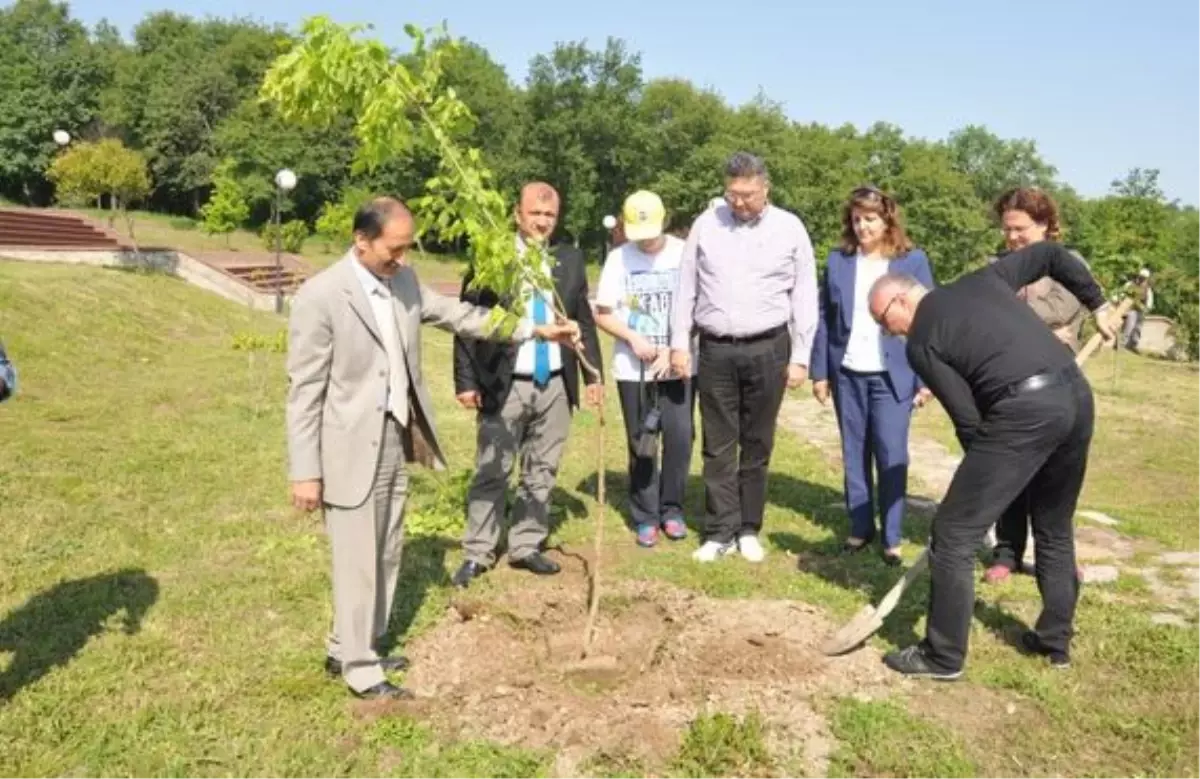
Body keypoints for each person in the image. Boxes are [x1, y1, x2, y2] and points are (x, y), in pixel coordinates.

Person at [286, 196, 579, 700]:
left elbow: (462, 315)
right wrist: (305, 470)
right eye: (393, 249)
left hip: (397, 438)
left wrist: (533, 329)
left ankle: (353, 645)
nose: (402, 258)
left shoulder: (402, 280)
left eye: (406, 247)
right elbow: (304, 391)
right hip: (348, 446)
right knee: (357, 556)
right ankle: (360, 669)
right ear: (361, 241)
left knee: (386, 548)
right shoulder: (322, 296)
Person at [867, 241, 1116, 679]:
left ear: (901, 300)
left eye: (884, 322)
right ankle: (1054, 643)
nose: (889, 333)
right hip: (1075, 395)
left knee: (954, 532)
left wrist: (988, 480)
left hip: (1025, 408)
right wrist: (1099, 303)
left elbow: (969, 421)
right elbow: (1053, 255)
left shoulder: (921, 341)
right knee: (1054, 525)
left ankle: (942, 657)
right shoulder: (986, 279)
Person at [451, 182, 604, 587]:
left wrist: (592, 375)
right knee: (492, 469)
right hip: (506, 382)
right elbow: (468, 322)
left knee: (542, 468)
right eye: (534, 214)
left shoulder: (569, 259)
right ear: (518, 215)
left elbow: (582, 319)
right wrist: (466, 380)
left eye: (549, 215)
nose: (541, 222)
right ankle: (478, 552)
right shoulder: (494, 257)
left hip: (554, 381)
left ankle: (526, 545)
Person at [670, 151, 819, 563]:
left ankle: (749, 526)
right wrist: (680, 343)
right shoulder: (706, 225)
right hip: (716, 347)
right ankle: (719, 530)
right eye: (732, 194)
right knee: (718, 444)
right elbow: (686, 286)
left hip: (770, 347)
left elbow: (805, 294)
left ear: (765, 188)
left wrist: (802, 355)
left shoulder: (790, 229)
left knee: (757, 441)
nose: (739, 203)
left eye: (748, 195)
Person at [810, 187, 935, 566]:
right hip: (847, 372)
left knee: (891, 454)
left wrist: (927, 377)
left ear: (887, 220)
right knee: (854, 454)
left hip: (893, 375)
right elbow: (825, 319)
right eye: (857, 219)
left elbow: (928, 319)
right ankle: (860, 527)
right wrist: (820, 372)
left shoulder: (912, 261)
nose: (862, 226)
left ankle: (892, 536)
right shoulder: (838, 260)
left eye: (870, 219)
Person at [985, 187, 1092, 584]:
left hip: (1058, 387)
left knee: (1056, 480)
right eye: (1006, 229)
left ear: (1045, 225)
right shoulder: (996, 265)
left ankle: (1058, 559)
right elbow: (988, 313)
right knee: (1008, 473)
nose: (1011, 238)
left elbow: (1064, 308)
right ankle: (1007, 550)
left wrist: (1013, 312)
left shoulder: (1068, 263)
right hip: (1005, 384)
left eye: (1020, 229)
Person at [594, 190, 696, 548]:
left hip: (678, 364)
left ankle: (672, 509)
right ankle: (645, 515)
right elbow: (603, 313)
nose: (646, 240)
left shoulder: (684, 253)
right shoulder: (618, 259)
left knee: (681, 438)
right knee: (642, 442)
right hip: (632, 368)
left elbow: (699, 307)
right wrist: (633, 338)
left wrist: (675, 348)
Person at [1121, 269, 1154, 351]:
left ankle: (1133, 345)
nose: (1143, 279)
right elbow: (1122, 294)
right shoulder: (1130, 284)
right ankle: (1122, 344)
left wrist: (1147, 308)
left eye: (1145, 278)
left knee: (1138, 329)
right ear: (1139, 276)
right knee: (1129, 326)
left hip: (1141, 310)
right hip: (1131, 309)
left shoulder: (1147, 288)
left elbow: (1149, 299)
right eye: (1142, 277)